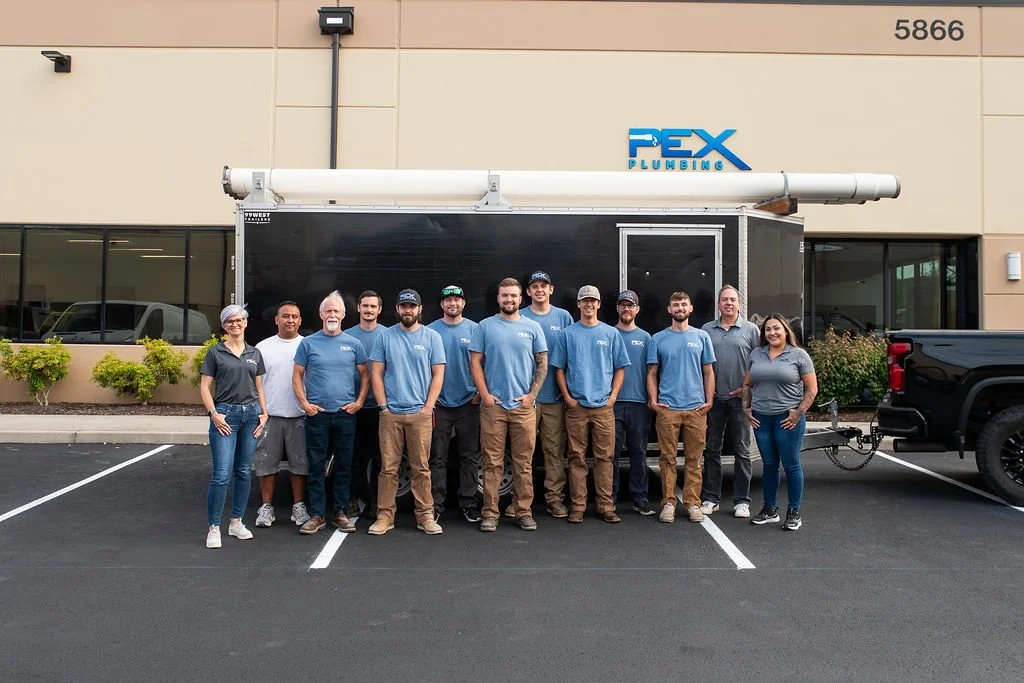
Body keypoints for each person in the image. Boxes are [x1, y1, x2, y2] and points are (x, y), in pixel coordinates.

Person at [470, 277, 548, 532]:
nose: (509, 300)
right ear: (498, 298)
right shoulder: (484, 327)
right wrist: (485, 394)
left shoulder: (533, 327)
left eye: (513, 296)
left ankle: (523, 511)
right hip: (493, 407)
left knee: (523, 463)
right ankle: (490, 513)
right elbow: (475, 363)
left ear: (520, 298)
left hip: (523, 408)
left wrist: (531, 396)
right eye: (505, 295)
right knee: (492, 463)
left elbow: (542, 363)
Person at [367, 289, 446, 536]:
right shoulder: (385, 337)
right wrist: (383, 407)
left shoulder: (432, 337)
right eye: (403, 306)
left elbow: (438, 374)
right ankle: (384, 516)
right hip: (390, 414)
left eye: (412, 306)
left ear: (420, 309)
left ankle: (425, 516)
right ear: (397, 309)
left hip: (420, 414)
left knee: (421, 468)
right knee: (388, 468)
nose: (408, 310)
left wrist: (427, 407)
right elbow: (376, 374)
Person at [292, 291, 369, 535]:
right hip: (317, 416)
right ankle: (316, 515)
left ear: (344, 315)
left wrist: (359, 402)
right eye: (329, 310)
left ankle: (340, 512)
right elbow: (297, 375)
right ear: (321, 314)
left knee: (344, 466)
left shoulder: (354, 344)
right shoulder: (308, 343)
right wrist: (304, 403)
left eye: (337, 311)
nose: (333, 314)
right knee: (315, 466)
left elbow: (366, 375)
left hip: (345, 415)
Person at [551, 285, 630, 524]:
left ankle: (606, 506)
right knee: (576, 458)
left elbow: (620, 368)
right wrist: (567, 397)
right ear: (578, 304)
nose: (588, 305)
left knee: (605, 458)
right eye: (584, 301)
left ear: (598, 304)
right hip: (576, 407)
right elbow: (559, 369)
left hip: (604, 408)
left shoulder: (611, 334)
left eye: (592, 301)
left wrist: (613, 397)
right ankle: (578, 507)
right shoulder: (567, 334)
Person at [199, 304, 269, 549]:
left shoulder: (254, 353)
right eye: (230, 321)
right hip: (225, 416)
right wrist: (214, 413)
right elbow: (205, 387)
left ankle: (236, 522)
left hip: (251, 415)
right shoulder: (215, 353)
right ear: (224, 325)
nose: (235, 324)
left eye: (239, 320)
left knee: (242, 471)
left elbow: (259, 386)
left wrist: (264, 413)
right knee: (221, 475)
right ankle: (214, 527)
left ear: (246, 323)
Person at [743, 313, 818, 531]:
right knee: (769, 465)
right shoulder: (756, 354)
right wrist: (745, 408)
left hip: (787, 420)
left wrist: (798, 413)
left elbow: (812, 389)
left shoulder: (798, 355)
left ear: (786, 331)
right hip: (761, 419)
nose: (772, 333)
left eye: (776, 328)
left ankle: (794, 512)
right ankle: (770, 510)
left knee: (792, 465)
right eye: (768, 329)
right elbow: (747, 384)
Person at [646, 291, 716, 524]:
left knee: (695, 459)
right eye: (675, 304)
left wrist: (709, 400)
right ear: (669, 309)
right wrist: (654, 401)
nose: (680, 308)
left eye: (683, 304)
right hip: (668, 409)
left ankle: (693, 503)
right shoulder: (658, 339)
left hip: (696, 408)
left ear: (691, 308)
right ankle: (668, 502)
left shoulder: (701, 337)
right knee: (667, 459)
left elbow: (708, 372)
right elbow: (652, 373)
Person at [700, 285, 761, 519]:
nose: (728, 303)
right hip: (714, 400)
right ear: (718, 304)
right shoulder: (706, 330)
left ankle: (742, 501)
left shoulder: (751, 330)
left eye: (732, 299)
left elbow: (760, 363)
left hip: (740, 401)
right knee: (712, 450)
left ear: (739, 303)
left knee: (742, 451)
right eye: (724, 299)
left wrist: (749, 390)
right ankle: (711, 498)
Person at [519, 270, 574, 518]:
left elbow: (573, 355)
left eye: (544, 286)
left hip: (554, 398)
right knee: (523, 453)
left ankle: (554, 500)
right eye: (535, 286)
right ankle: (522, 502)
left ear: (551, 290)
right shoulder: (519, 317)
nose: (539, 290)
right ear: (528, 292)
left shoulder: (564, 318)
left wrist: (567, 389)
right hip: (526, 399)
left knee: (554, 452)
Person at [427, 285, 482, 524]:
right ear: (442, 305)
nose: (452, 304)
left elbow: (484, 363)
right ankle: (436, 505)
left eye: (457, 300)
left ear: (463, 303)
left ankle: (469, 504)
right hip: (439, 403)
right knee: (437, 458)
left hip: (468, 402)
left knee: (469, 456)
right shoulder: (430, 331)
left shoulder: (475, 329)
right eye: (448, 300)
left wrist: (480, 393)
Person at [253, 301, 311, 528]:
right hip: (271, 416)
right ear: (276, 320)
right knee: (266, 463)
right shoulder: (263, 348)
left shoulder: (308, 345)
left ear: (300, 321)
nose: (290, 320)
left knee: (300, 464)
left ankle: (299, 506)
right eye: (285, 316)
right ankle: (266, 507)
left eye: (294, 316)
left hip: (300, 415)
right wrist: (260, 412)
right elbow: (255, 383)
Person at [345, 290, 388, 518]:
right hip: (353, 407)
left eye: (373, 306)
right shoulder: (347, 336)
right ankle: (352, 499)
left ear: (379, 310)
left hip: (380, 407)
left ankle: (376, 502)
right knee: (354, 457)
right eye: (365, 306)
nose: (369, 310)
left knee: (380, 459)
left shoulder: (389, 335)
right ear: (358, 308)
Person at [612, 290, 655, 516]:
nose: (626, 309)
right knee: (612, 454)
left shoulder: (647, 338)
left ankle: (640, 497)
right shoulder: (609, 334)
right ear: (617, 309)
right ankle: (610, 497)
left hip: (639, 404)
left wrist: (651, 399)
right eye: (623, 305)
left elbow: (651, 371)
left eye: (631, 306)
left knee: (639, 452)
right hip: (613, 403)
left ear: (637, 309)